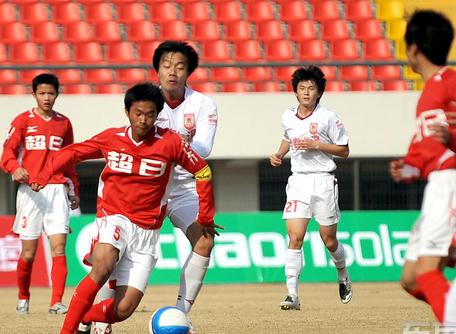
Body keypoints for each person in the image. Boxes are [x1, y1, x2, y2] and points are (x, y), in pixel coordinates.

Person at [29, 82, 217, 334]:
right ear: (127, 111)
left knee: (124, 309)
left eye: (150, 114)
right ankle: (67, 330)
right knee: (103, 264)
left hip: (147, 232)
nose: (143, 120)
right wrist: (45, 172)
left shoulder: (170, 142)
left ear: (158, 114)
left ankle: (84, 317)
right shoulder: (111, 138)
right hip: (113, 217)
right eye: (138, 113)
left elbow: (202, 170)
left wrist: (205, 215)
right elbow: (73, 152)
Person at [91, 40, 219, 334]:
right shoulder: (146, 102)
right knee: (114, 251)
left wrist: (166, 145)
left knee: (205, 240)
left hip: (183, 188)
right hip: (145, 186)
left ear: (189, 72)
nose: (172, 71)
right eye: (166, 65)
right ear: (157, 69)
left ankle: (180, 314)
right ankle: (100, 320)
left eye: (180, 66)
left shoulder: (203, 105)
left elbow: (203, 148)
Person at [388, 10, 456, 323]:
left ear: (413, 48)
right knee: (412, 278)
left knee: (428, 271)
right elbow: (425, 145)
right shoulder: (428, 92)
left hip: (449, 181)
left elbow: (446, 137)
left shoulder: (450, 81)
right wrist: (410, 165)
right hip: (435, 185)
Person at [269, 66, 352, 311]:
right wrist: (279, 154)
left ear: (319, 93)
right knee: (295, 237)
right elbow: (287, 136)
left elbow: (345, 150)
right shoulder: (287, 116)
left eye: (311, 88)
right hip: (298, 182)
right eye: (302, 88)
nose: (306, 92)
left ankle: (343, 274)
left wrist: (317, 145)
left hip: (324, 181)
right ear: (295, 92)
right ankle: (292, 294)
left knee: (329, 240)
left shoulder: (328, 117)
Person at [0, 73, 79, 315]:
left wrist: (73, 187)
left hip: (56, 190)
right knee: (29, 252)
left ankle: (56, 302)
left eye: (51, 93)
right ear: (33, 94)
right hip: (30, 191)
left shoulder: (64, 123)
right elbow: (7, 154)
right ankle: (23, 297)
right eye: (42, 93)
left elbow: (69, 160)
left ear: (57, 94)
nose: (46, 97)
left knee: (58, 248)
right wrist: (15, 168)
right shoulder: (22, 121)